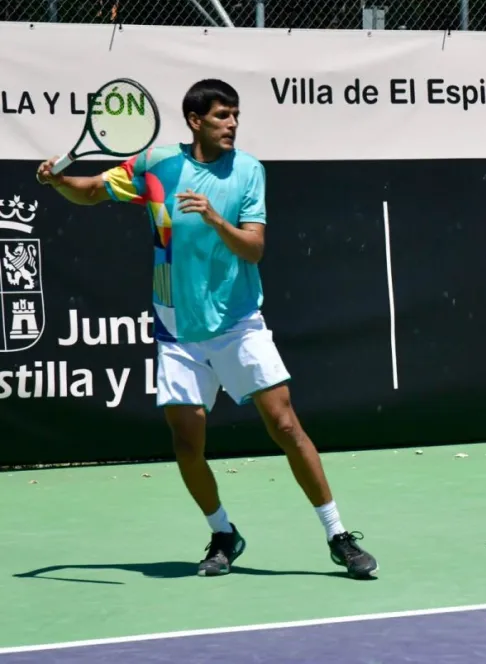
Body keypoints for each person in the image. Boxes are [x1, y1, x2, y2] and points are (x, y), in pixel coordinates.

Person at [35, 79, 379, 580]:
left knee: (285, 425)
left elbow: (254, 249)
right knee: (185, 442)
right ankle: (223, 533)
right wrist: (59, 182)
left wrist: (217, 219)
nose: (232, 124)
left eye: (236, 115)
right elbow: (90, 192)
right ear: (195, 120)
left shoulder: (248, 171)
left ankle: (338, 536)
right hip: (177, 327)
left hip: (238, 322)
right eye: (222, 116)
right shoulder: (156, 166)